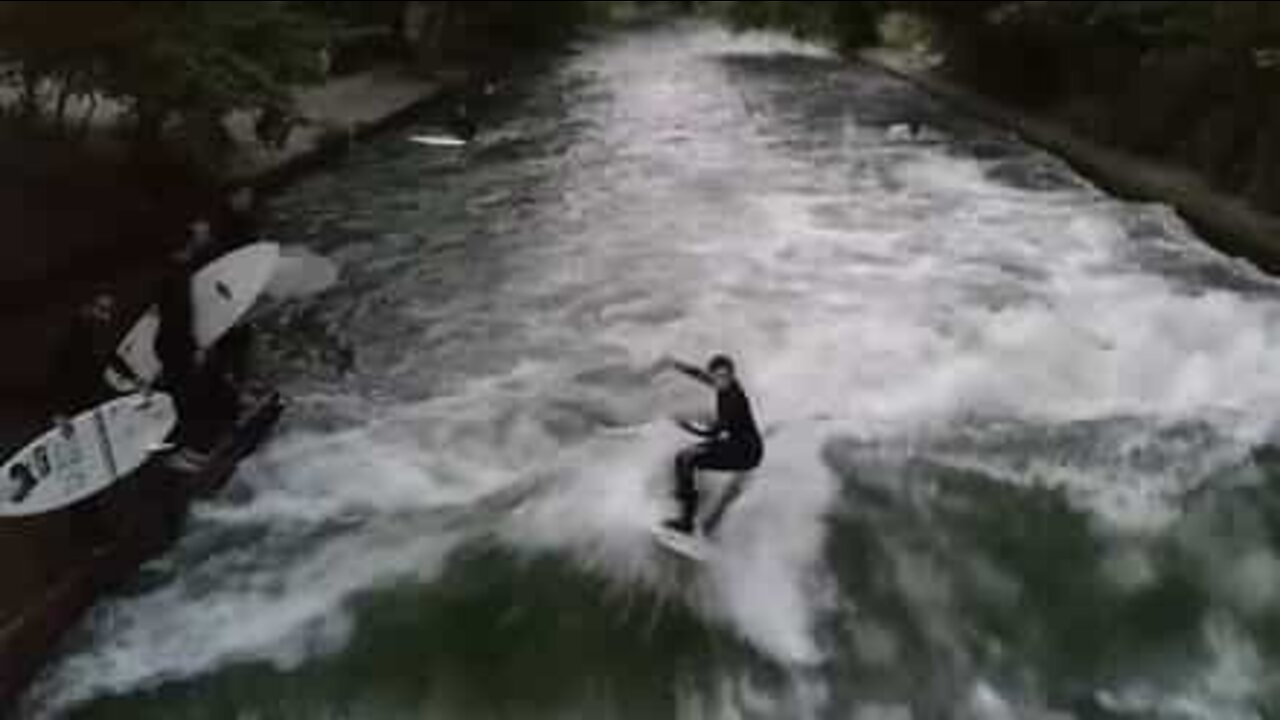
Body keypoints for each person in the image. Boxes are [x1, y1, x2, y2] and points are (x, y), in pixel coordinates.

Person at [655, 354, 764, 535]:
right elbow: (700, 375)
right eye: (716, 376)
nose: (720, 381)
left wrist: (685, 424)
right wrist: (675, 364)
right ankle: (690, 509)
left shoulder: (734, 398)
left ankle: (686, 522)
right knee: (684, 458)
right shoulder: (722, 385)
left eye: (724, 376)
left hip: (746, 452)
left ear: (732, 375)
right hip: (737, 445)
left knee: (685, 458)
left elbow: (712, 434)